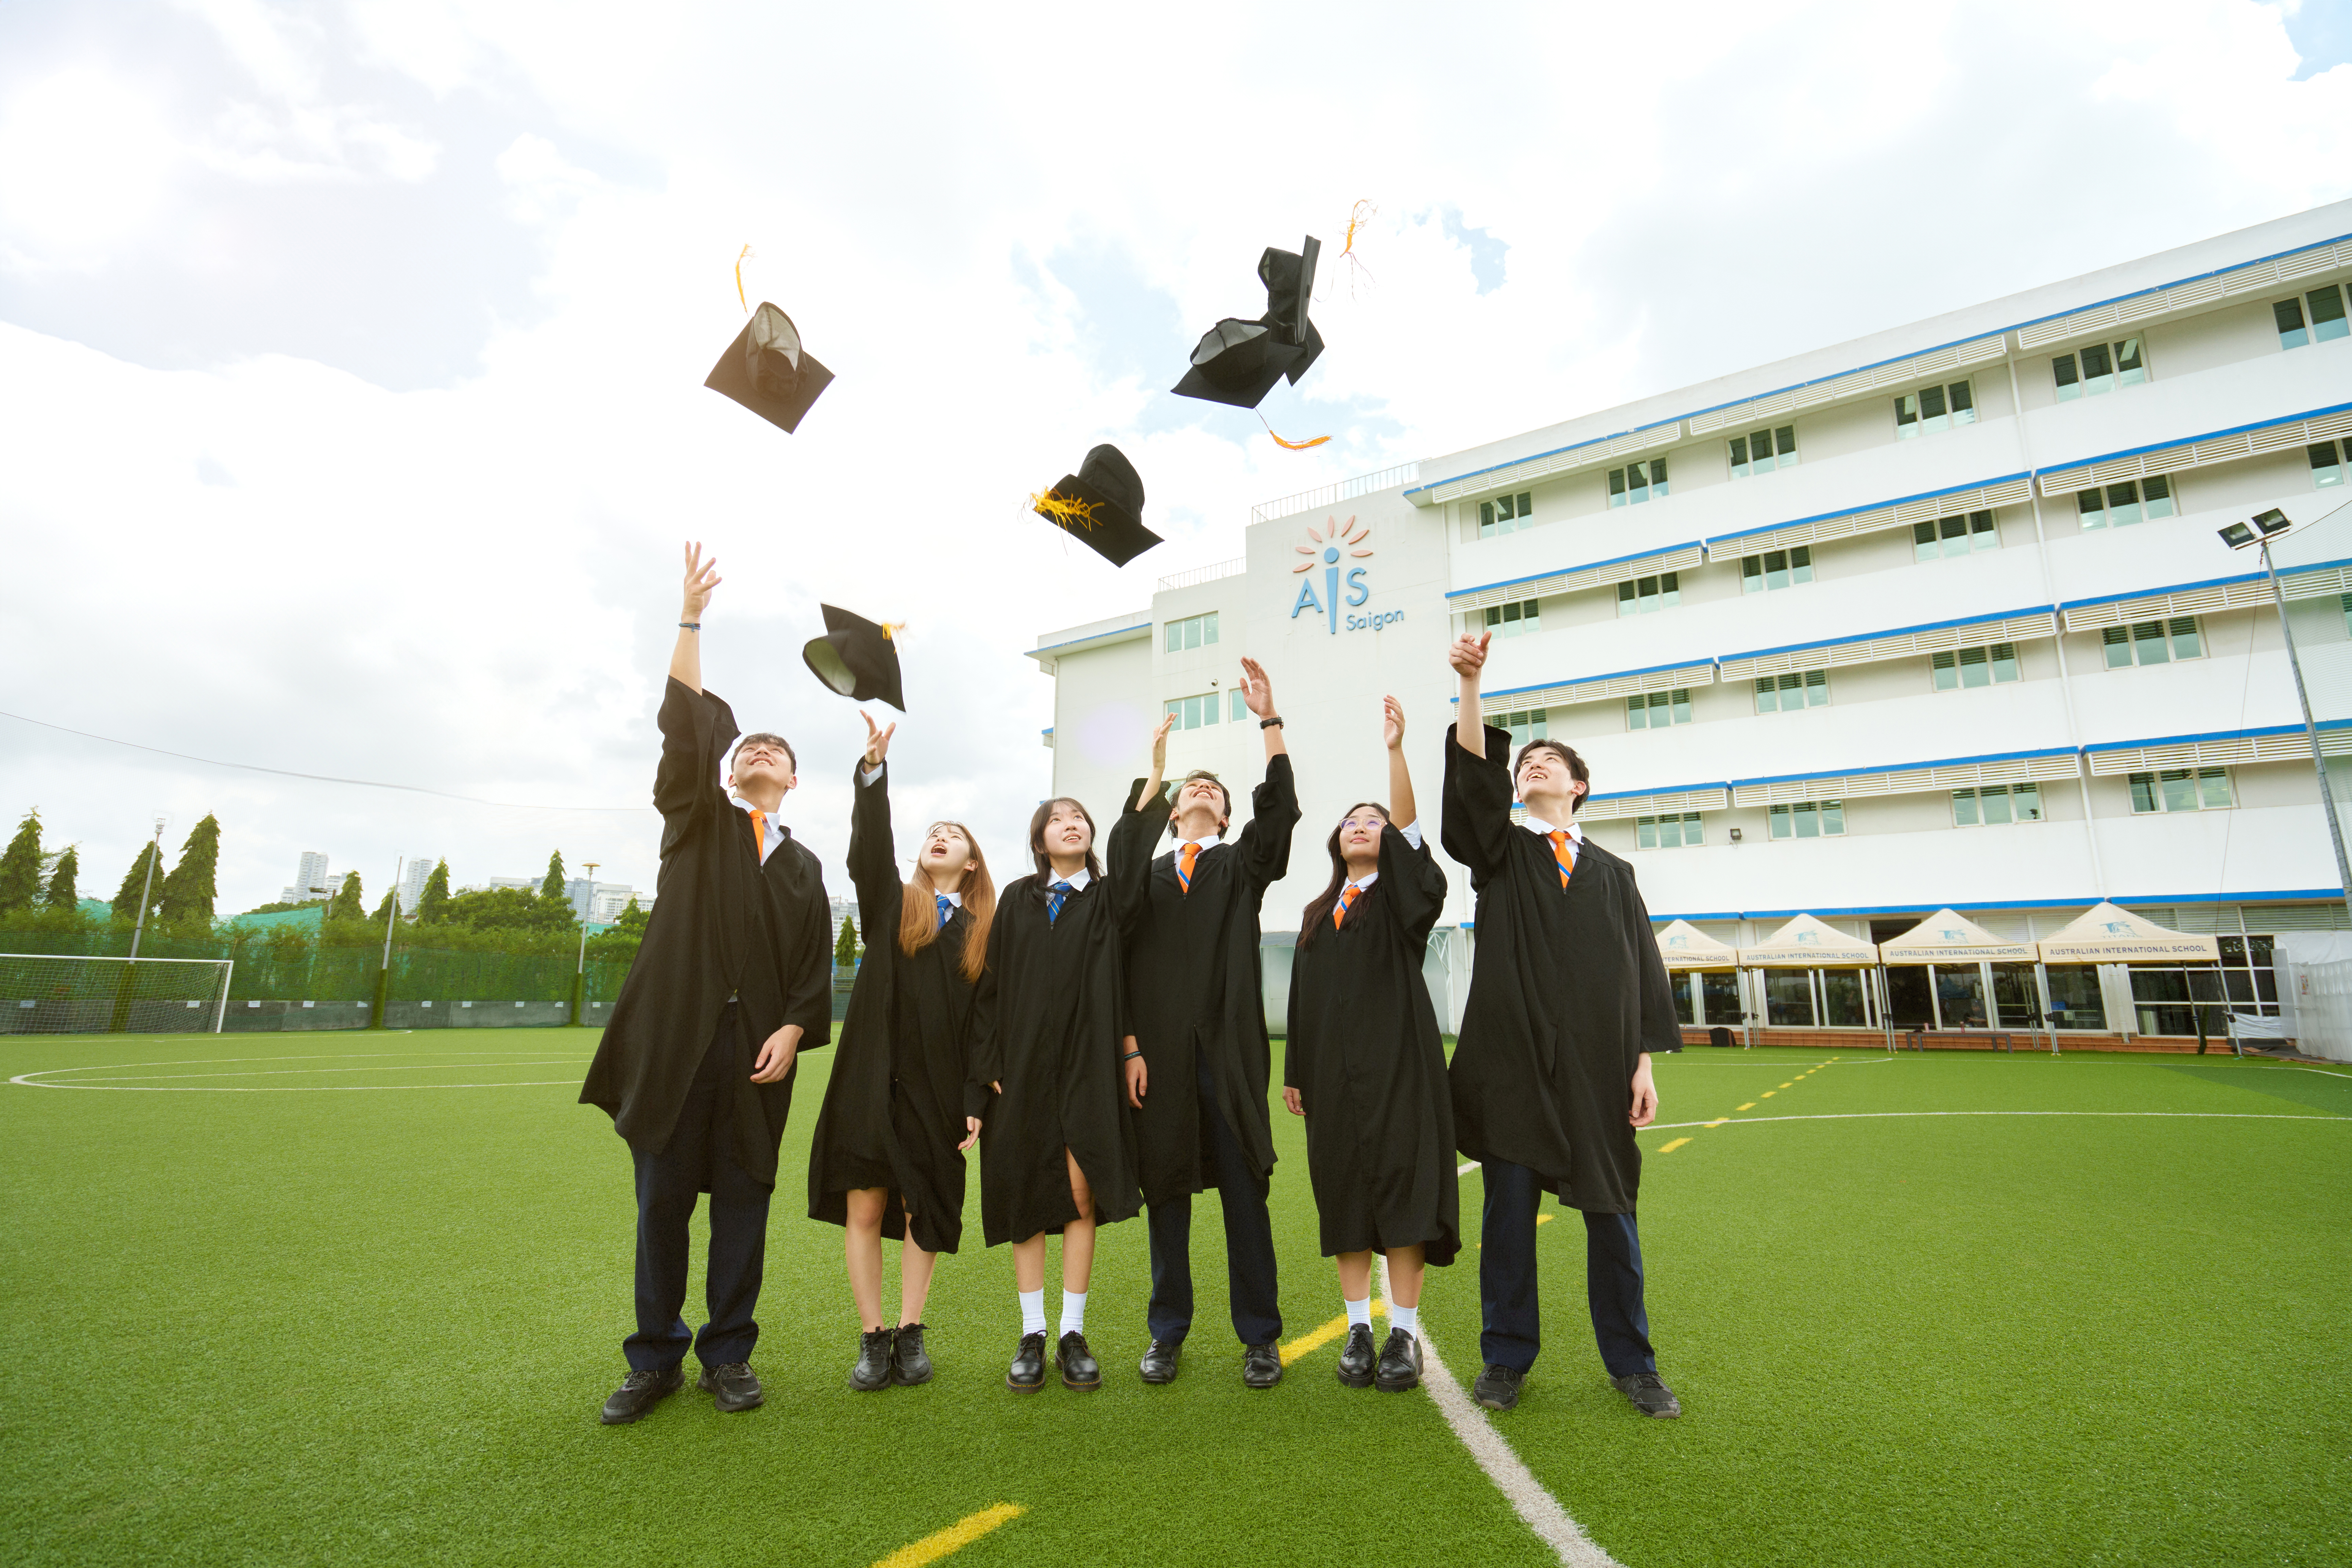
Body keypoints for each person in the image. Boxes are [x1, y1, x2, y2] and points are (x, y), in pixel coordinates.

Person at [582, 543, 834, 1425]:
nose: (760, 751)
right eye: (748, 746)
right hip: (677, 1044)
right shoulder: (697, 821)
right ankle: (654, 1358)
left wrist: (794, 1029)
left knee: (742, 1205)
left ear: (793, 778)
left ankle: (728, 1354)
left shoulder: (803, 867)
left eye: (777, 749)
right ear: (729, 771)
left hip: (757, 1055)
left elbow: (812, 972)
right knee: (662, 1206)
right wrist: (690, 618)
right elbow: (684, 723)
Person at [1442, 628, 1682, 1418]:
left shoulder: (1615, 873)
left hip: (1597, 1068)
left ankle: (1634, 1365)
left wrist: (1642, 1063)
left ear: (1580, 786)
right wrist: (1471, 686)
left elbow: (1641, 970)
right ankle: (1505, 1359)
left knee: (1613, 1219)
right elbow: (1472, 790)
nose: (1532, 766)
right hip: (1513, 1065)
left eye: (1548, 762)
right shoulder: (1502, 855)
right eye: (1524, 764)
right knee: (1509, 1220)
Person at [1109, 657, 1299, 1389]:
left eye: (1214, 791)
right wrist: (1156, 775)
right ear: (1171, 812)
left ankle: (1260, 1337)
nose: (1203, 791)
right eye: (1192, 787)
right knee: (1167, 1197)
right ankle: (1167, 1333)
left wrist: (1269, 721)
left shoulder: (1239, 869)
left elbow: (1277, 819)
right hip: (1156, 1058)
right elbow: (1120, 886)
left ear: (1224, 818)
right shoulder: (1146, 880)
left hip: (1229, 1058)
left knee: (1246, 1198)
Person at [807, 712, 993, 1392]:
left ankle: (911, 1329)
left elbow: (985, 1026)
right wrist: (873, 772)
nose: (940, 836)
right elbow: (869, 851)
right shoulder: (894, 906)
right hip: (872, 1078)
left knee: (924, 1207)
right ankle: (872, 1334)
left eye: (954, 835)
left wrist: (975, 1097)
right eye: (932, 832)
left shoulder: (982, 933)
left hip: (938, 1088)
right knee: (864, 1206)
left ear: (971, 863)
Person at [1282, 695, 1455, 1394]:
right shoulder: (1317, 913)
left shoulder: (1401, 901)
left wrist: (1395, 752)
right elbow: (1300, 1002)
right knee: (1345, 1197)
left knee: (1404, 1195)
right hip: (1330, 1077)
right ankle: (1359, 1327)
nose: (1362, 826)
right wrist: (1295, 1071)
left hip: (1400, 1069)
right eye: (1352, 821)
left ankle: (1402, 1334)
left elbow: (1411, 839)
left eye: (1373, 821)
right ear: (1336, 841)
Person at [969, 795, 1145, 1392]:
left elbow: (1123, 980)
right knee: (1025, 1191)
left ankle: (1072, 1331)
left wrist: (1150, 782)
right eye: (1056, 819)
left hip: (1087, 1061)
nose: (1071, 824)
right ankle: (1032, 1332)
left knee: (1079, 1193)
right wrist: (988, 1062)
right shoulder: (1018, 897)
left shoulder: (1108, 897)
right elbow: (991, 985)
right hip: (1021, 1067)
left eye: (1079, 818)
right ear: (1040, 840)